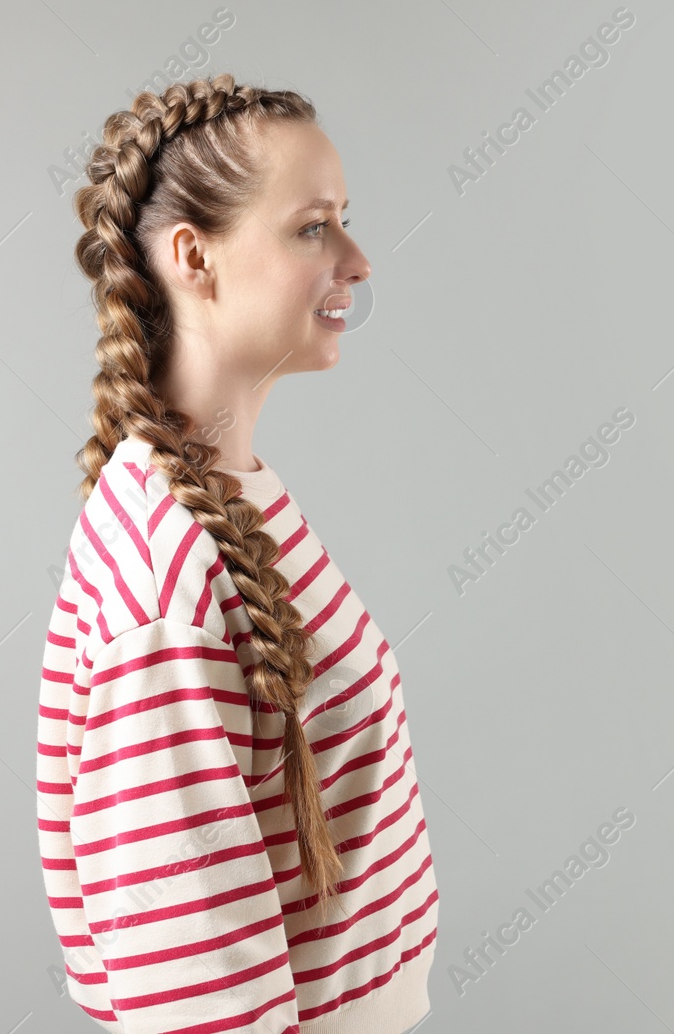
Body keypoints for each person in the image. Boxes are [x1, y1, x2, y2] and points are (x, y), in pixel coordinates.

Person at [35, 74, 438, 1034]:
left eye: (344, 221)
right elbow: (195, 1001)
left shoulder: (228, 491)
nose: (358, 259)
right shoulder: (167, 582)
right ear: (193, 258)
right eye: (312, 228)